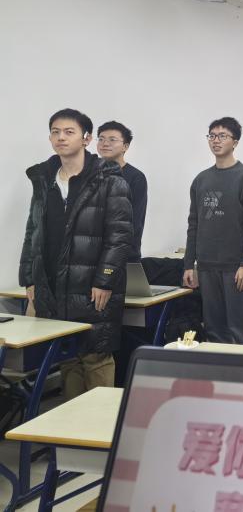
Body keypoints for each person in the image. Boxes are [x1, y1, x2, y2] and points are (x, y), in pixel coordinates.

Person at [20, 109, 133, 399]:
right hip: (53, 284)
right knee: (67, 356)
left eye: (69, 132)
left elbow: (120, 236)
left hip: (92, 283)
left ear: (86, 139)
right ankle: (72, 423)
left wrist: (105, 279)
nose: (61, 137)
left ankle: (101, 423)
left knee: (96, 355)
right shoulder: (44, 179)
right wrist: (29, 279)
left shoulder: (109, 180)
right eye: (55, 132)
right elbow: (33, 231)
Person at [183, 117, 243, 345]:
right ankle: (220, 368)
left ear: (235, 142)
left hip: (235, 267)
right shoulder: (201, 180)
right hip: (207, 266)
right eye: (212, 136)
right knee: (214, 329)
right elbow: (194, 224)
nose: (216, 140)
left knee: (241, 329)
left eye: (222, 136)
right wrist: (189, 264)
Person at [96, 120, 147, 260]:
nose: (105, 144)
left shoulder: (135, 177)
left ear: (125, 146)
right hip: (91, 253)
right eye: (101, 139)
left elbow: (135, 220)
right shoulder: (89, 173)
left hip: (122, 253)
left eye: (112, 140)